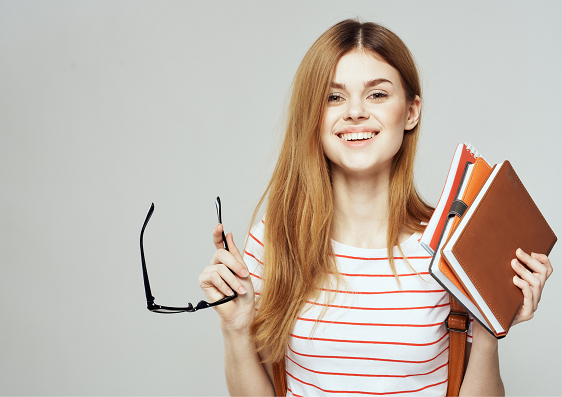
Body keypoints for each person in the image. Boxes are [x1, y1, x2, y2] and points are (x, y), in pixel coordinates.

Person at [198, 19, 553, 396]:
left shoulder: (454, 245)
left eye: (377, 95)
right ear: (313, 116)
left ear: (412, 111)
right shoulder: (274, 243)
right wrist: (235, 330)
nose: (355, 112)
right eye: (334, 97)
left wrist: (489, 327)